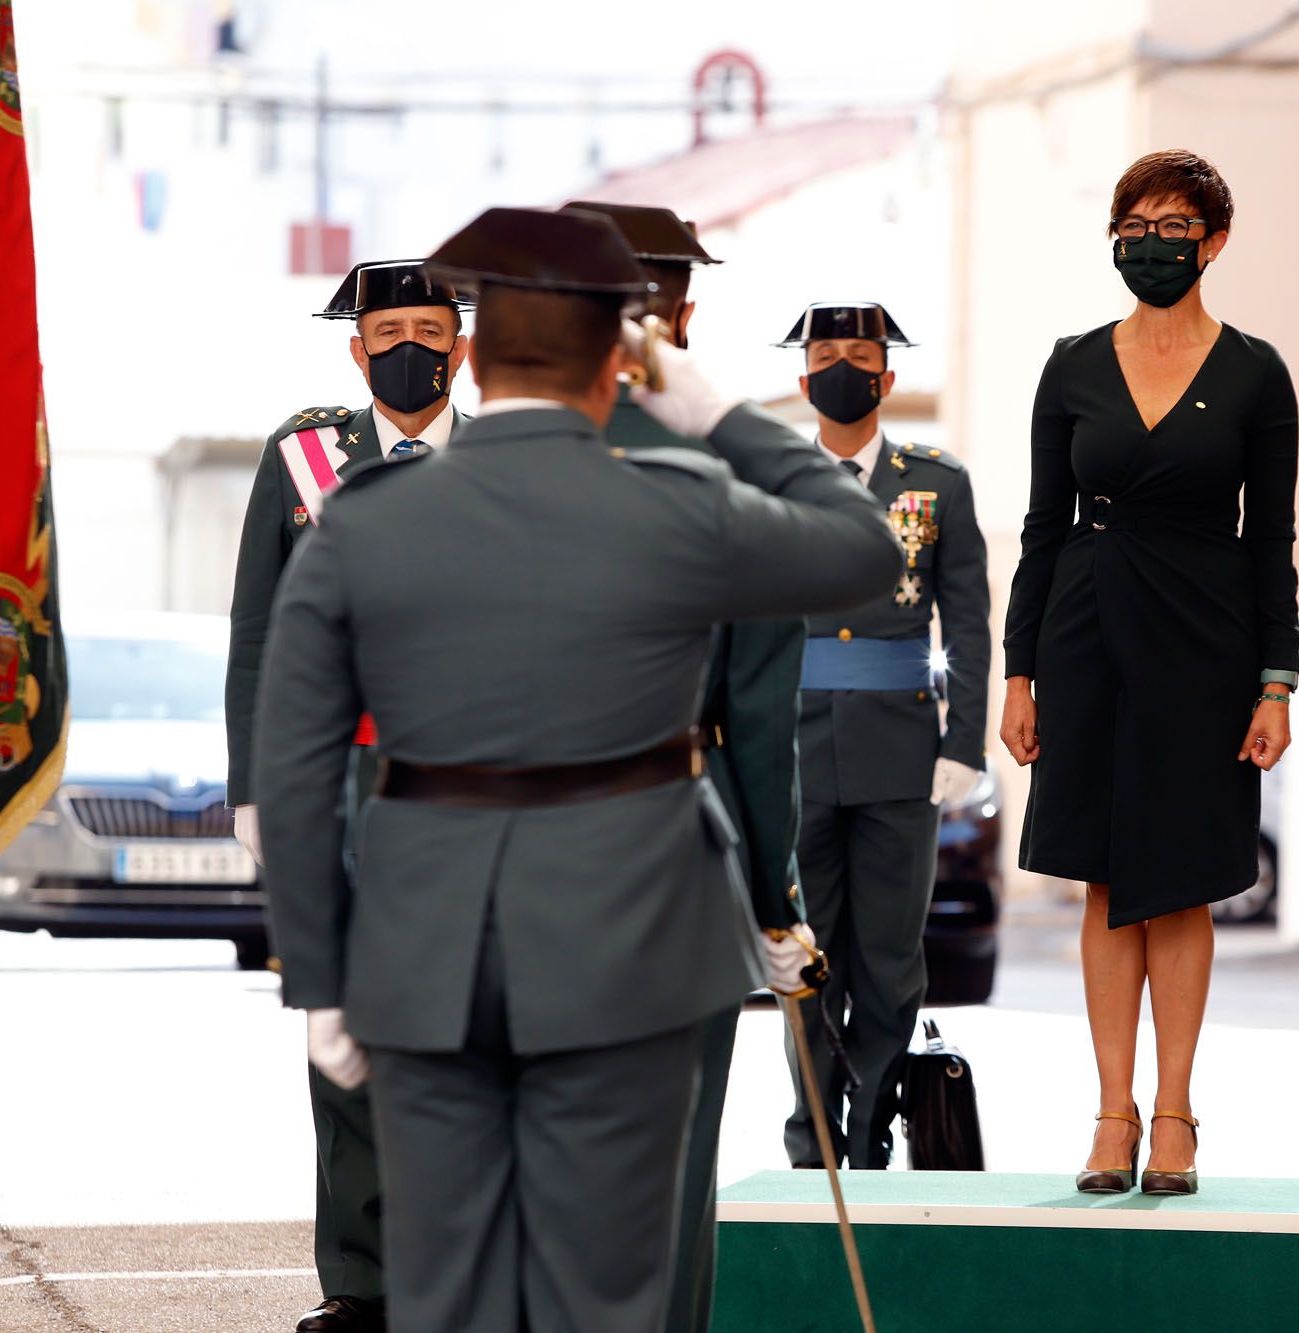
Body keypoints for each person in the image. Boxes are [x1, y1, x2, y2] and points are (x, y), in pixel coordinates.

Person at [253, 205, 898, 1332]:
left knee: (448, 1290)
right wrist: (714, 409)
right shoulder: (681, 504)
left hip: (422, 945)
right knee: (602, 1293)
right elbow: (860, 546)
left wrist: (318, 971)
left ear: (473, 353)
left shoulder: (364, 519)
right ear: (619, 362)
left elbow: (294, 756)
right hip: (633, 939)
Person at [998, 150, 1299, 1197]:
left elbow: (1271, 540)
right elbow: (1040, 528)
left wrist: (1276, 679)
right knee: (1106, 877)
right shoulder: (1069, 363)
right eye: (1133, 221)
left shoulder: (1256, 372)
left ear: (1212, 241)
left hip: (1206, 640)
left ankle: (1175, 1113)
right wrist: (1018, 672)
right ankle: (1110, 1113)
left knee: (1179, 883)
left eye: (1174, 224)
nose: (1151, 240)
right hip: (1086, 630)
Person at [565, 198, 809, 1333]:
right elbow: (757, 717)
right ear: (682, 316)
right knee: (666, 1180)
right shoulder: (732, 476)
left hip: (487, 858)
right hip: (676, 841)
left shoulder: (462, 463)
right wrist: (773, 902)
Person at [225, 258, 470, 1333]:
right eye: (391, 329)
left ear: (461, 345)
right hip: (343, 781)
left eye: (432, 326)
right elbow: (257, 635)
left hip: (478, 777)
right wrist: (255, 789)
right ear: (356, 348)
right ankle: (360, 1281)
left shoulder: (510, 455)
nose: (411, 345)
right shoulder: (305, 453)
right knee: (349, 1029)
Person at [775, 301, 992, 1169]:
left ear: (887, 377)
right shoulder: (774, 480)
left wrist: (963, 744)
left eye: (858, 356)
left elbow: (969, 625)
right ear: (803, 380)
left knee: (892, 963)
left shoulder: (935, 481)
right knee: (805, 958)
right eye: (825, 355)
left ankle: (869, 1141)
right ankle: (814, 1141)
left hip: (902, 754)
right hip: (792, 751)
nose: (841, 369)